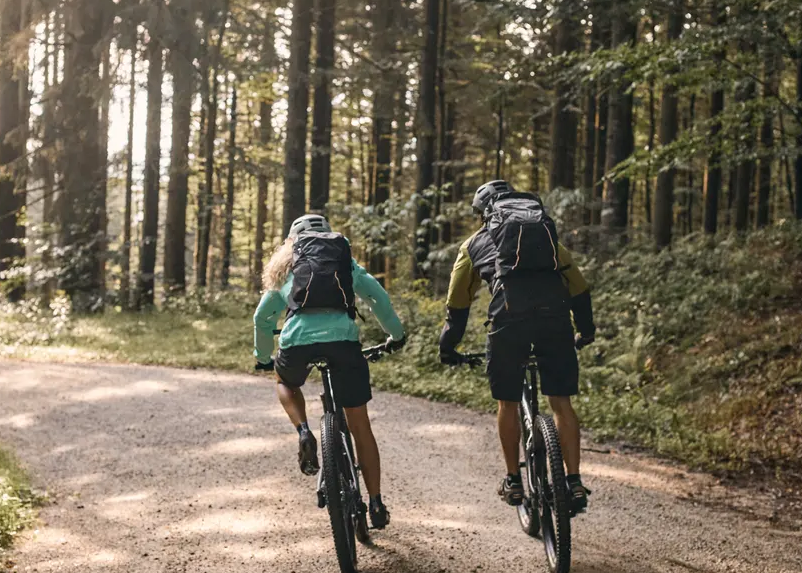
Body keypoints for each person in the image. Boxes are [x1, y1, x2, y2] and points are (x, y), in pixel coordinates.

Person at [439, 180, 596, 514]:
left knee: (507, 402)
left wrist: (448, 347)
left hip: (508, 323)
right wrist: (585, 330)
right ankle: (573, 481)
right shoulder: (546, 238)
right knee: (561, 404)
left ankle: (512, 479)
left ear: (482, 213)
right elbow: (579, 287)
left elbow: (458, 305)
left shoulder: (473, 245)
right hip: (555, 320)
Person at [254, 214, 406, 529]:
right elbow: (377, 296)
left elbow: (261, 318)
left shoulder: (286, 268)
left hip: (297, 344)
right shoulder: (343, 261)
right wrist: (395, 334)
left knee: (285, 382)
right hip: (343, 343)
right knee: (360, 425)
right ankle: (376, 504)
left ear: (291, 242)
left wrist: (264, 356)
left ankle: (303, 431)